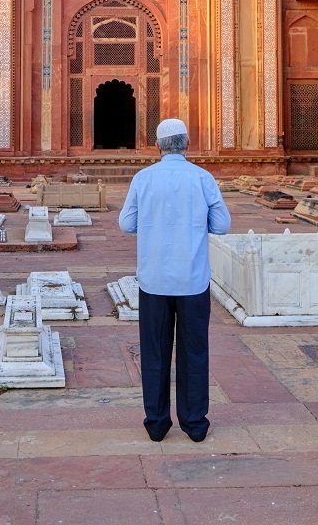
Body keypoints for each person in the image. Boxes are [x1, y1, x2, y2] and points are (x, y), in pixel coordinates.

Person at [119, 118, 231, 442]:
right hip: (193, 280)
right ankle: (195, 424)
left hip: (153, 281)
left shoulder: (144, 179)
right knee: (193, 352)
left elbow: (127, 224)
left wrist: (151, 225)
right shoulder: (202, 178)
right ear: (187, 144)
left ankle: (156, 424)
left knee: (154, 352)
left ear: (158, 146)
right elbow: (222, 224)